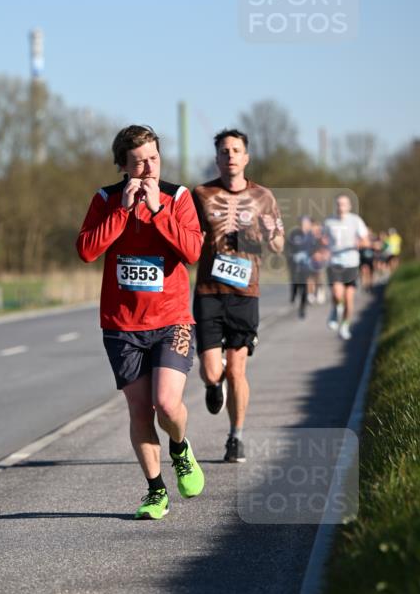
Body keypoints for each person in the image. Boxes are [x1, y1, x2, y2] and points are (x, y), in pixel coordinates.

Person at [76, 124, 205, 520]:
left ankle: (181, 449)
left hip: (171, 319)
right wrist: (121, 212)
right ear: (122, 167)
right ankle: (155, 491)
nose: (148, 168)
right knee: (139, 411)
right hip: (122, 325)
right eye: (138, 163)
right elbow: (86, 251)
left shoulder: (178, 197)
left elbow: (193, 250)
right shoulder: (105, 199)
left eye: (153, 159)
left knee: (166, 403)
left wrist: (156, 211)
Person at [192, 129, 285, 463]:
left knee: (237, 369)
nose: (230, 155)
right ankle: (211, 386)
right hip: (208, 291)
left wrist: (266, 231)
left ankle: (236, 436)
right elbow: (187, 240)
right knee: (211, 370)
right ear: (217, 158)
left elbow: (278, 245)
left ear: (246, 157)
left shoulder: (263, 197)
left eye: (236, 150)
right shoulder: (200, 194)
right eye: (224, 150)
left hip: (246, 291)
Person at [323, 194, 370, 340]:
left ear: (349, 206)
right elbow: (323, 240)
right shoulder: (329, 222)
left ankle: (344, 326)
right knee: (337, 294)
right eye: (338, 204)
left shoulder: (355, 221)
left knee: (349, 301)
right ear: (335, 206)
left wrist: (358, 244)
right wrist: (321, 250)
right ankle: (335, 309)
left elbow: (366, 241)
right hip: (335, 263)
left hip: (352, 264)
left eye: (343, 204)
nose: (340, 207)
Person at [286, 215, 315, 318]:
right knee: (295, 283)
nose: (304, 225)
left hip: (306, 266)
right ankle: (293, 295)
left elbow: (316, 250)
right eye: (302, 223)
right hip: (295, 265)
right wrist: (290, 258)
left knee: (304, 287)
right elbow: (288, 248)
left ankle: (302, 308)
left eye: (306, 223)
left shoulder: (312, 236)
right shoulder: (294, 234)